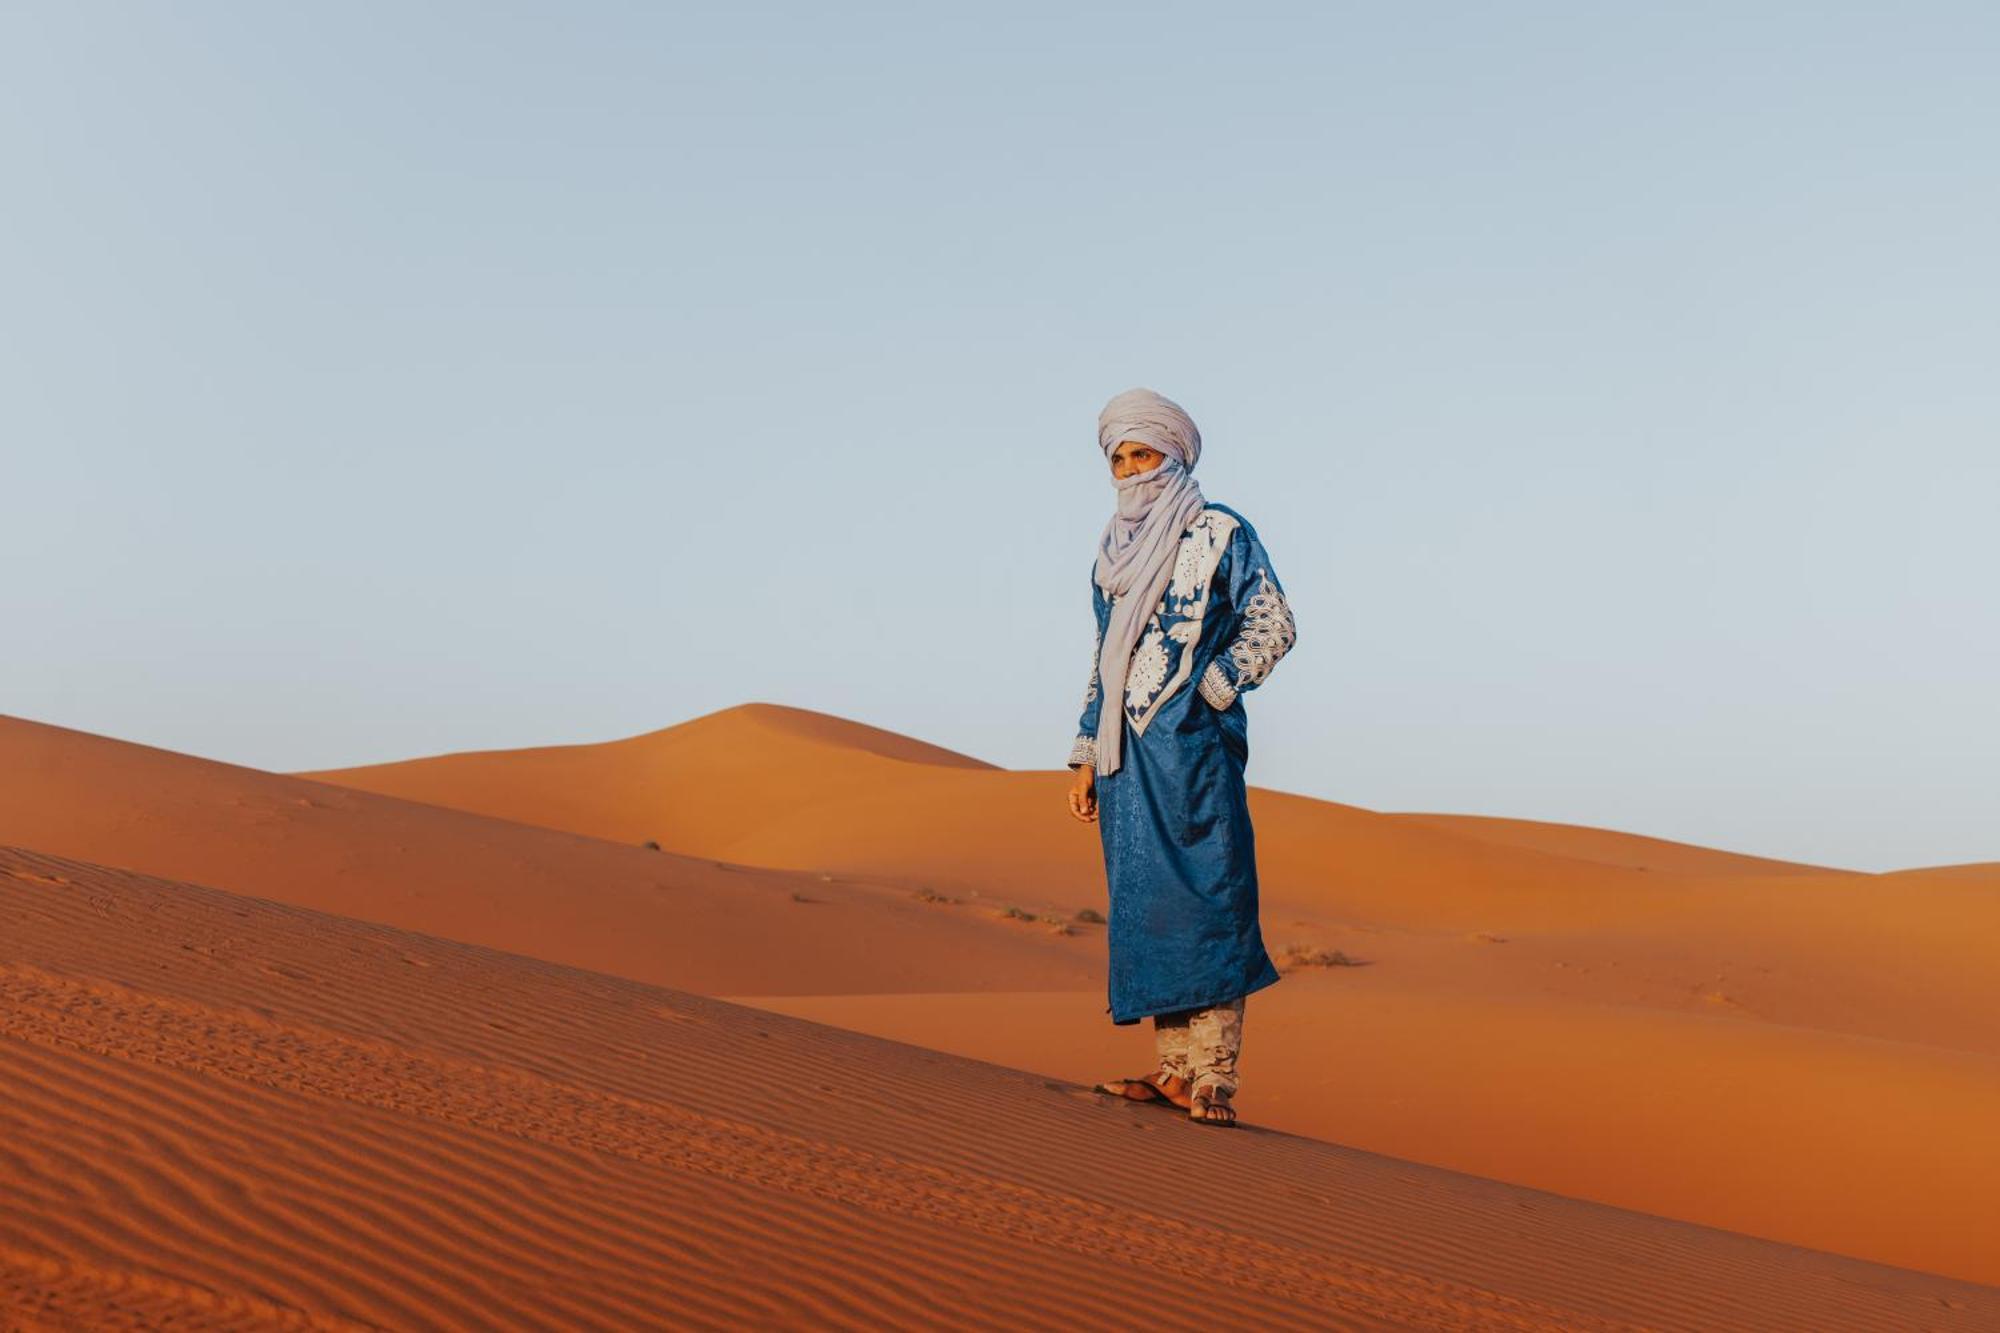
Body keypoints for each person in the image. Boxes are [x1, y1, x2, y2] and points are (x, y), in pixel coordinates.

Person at [1067, 386, 1298, 1127]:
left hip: (1194, 752)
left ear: (1174, 455)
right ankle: (1172, 1071)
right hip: (1127, 759)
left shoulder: (1219, 531)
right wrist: (1083, 751)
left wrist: (1215, 690)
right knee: (1153, 908)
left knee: (1209, 899)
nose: (1134, 469)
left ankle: (1213, 1080)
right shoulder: (1112, 555)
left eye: (1145, 454)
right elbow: (1106, 656)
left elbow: (1272, 620)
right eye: (1122, 458)